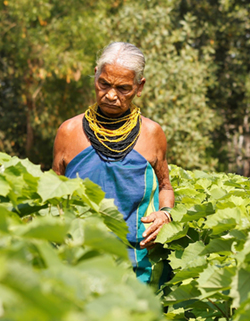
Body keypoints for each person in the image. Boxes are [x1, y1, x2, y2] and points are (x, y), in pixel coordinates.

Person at [52, 42, 174, 286]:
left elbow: (165, 187)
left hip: (138, 265)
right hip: (78, 264)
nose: (110, 95)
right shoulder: (69, 132)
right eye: (104, 84)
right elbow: (54, 194)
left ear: (140, 87)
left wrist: (166, 215)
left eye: (123, 88)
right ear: (95, 74)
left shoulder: (152, 134)